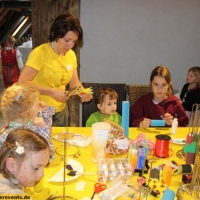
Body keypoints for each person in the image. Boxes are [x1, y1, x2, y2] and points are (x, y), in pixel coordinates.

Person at [18, 14, 92, 126]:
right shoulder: (40, 53)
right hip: (39, 110)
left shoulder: (71, 55)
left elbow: (74, 82)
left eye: (74, 41)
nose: (70, 45)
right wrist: (51, 92)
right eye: (67, 40)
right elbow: (22, 82)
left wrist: (82, 92)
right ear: (54, 34)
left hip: (61, 110)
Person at [0, 83, 55, 161]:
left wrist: (44, 110)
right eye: (37, 104)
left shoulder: (18, 124)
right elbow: (49, 156)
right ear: (25, 113)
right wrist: (43, 129)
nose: (40, 104)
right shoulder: (28, 133)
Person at [0, 128, 50, 194]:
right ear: (11, 165)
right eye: (36, 168)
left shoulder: (15, 178)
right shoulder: (10, 194)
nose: (42, 174)